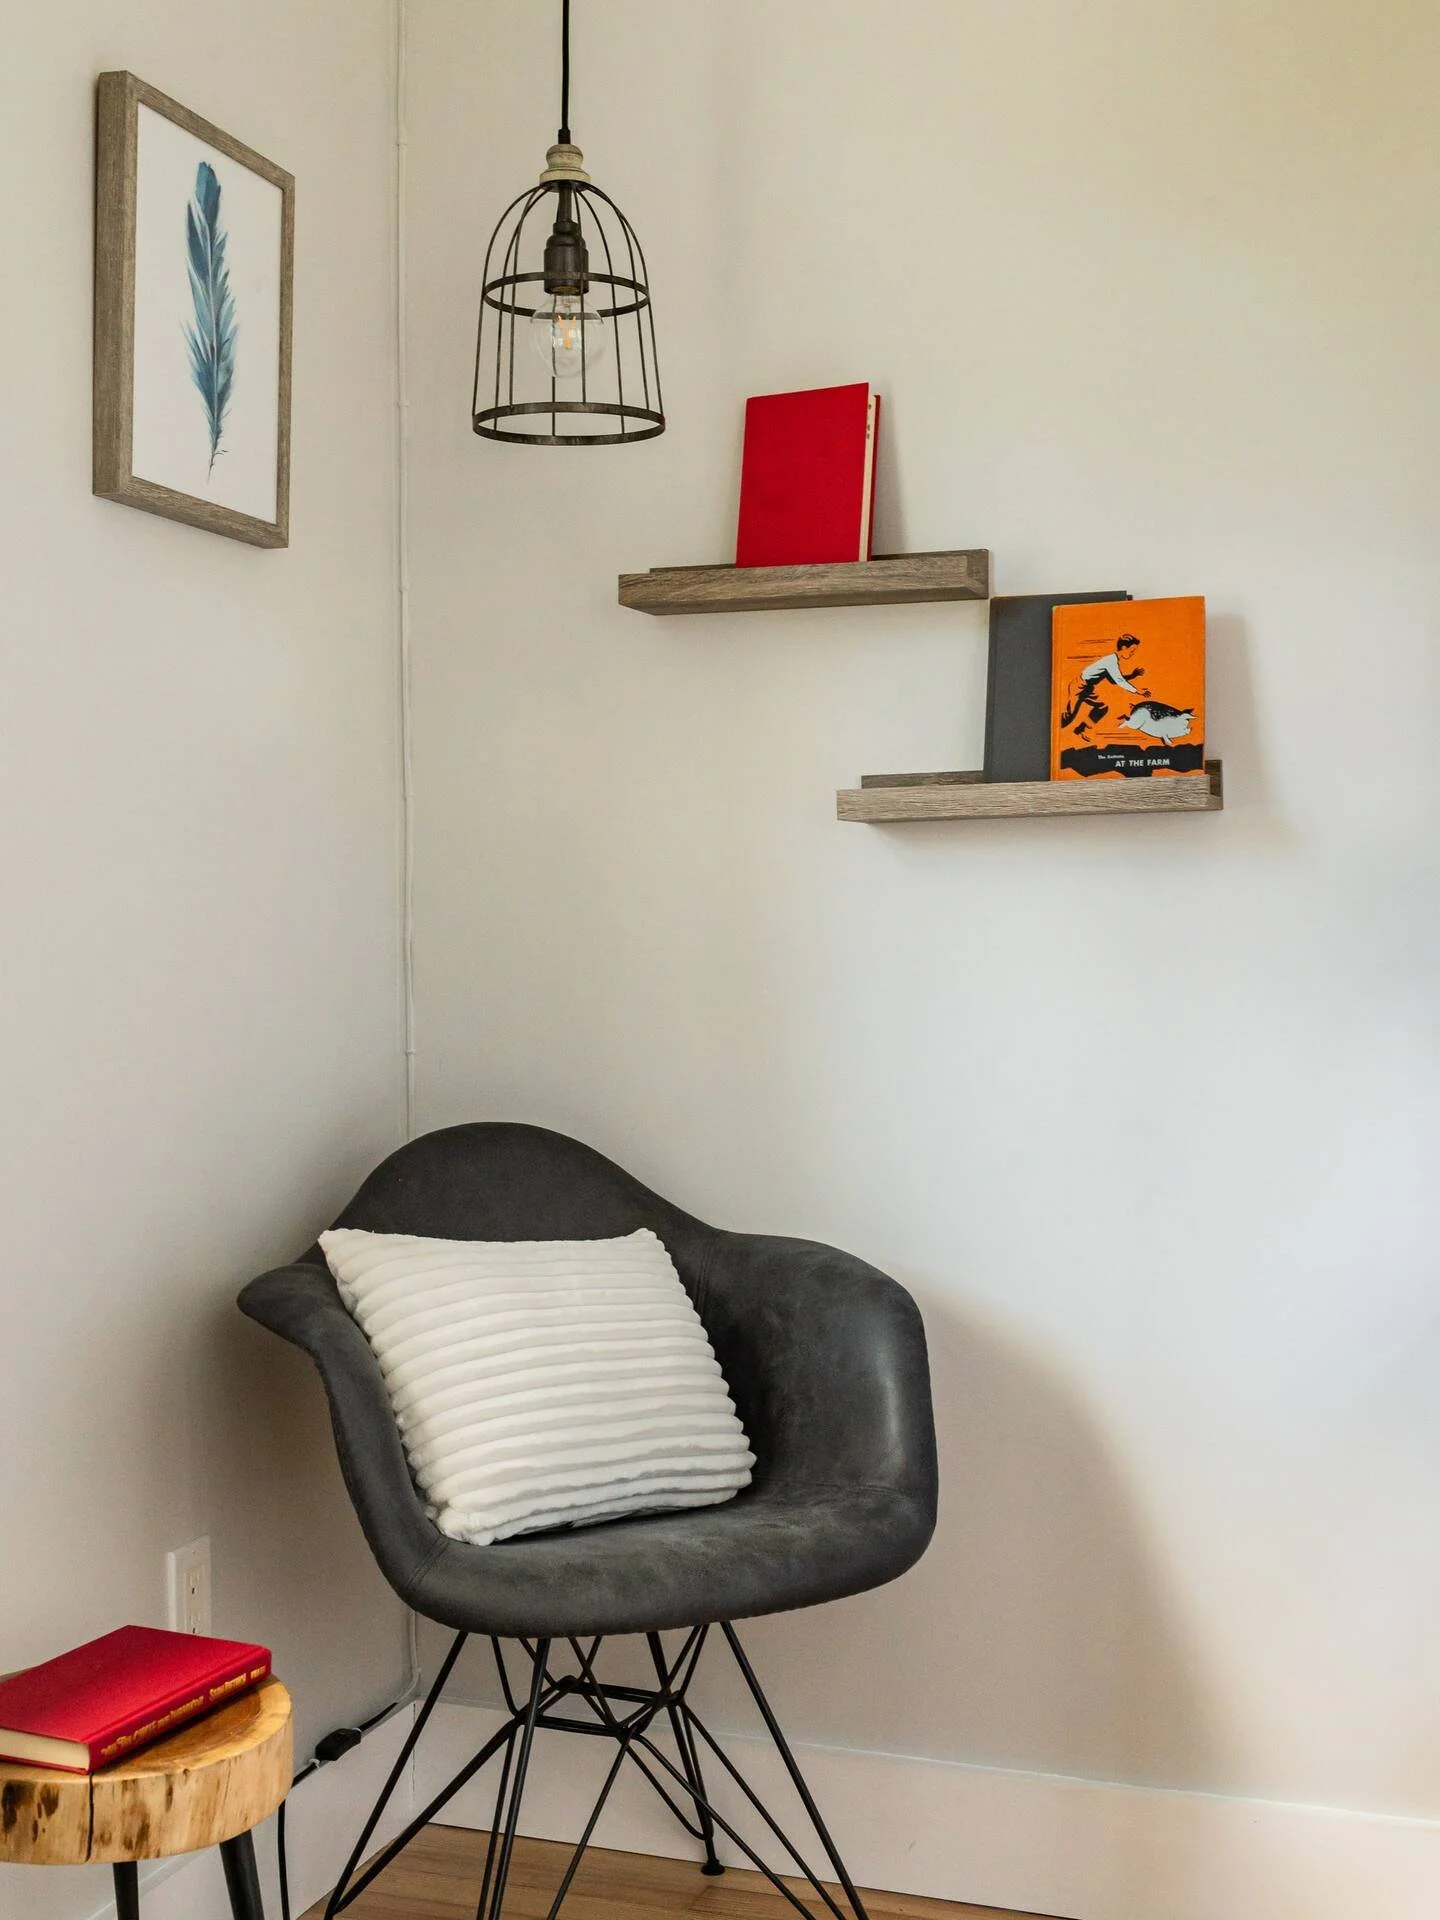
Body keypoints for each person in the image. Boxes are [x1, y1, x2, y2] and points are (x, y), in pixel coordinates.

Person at [1059, 634, 1149, 736]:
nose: (1133, 653)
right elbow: (1119, 681)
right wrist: (1138, 691)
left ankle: (1080, 729)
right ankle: (1055, 727)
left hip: (1088, 688)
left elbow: (1113, 680)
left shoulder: (1112, 661)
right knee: (1069, 716)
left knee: (1102, 708)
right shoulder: (1110, 661)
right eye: (1132, 650)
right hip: (1079, 686)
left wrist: (1133, 675)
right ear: (1124, 648)